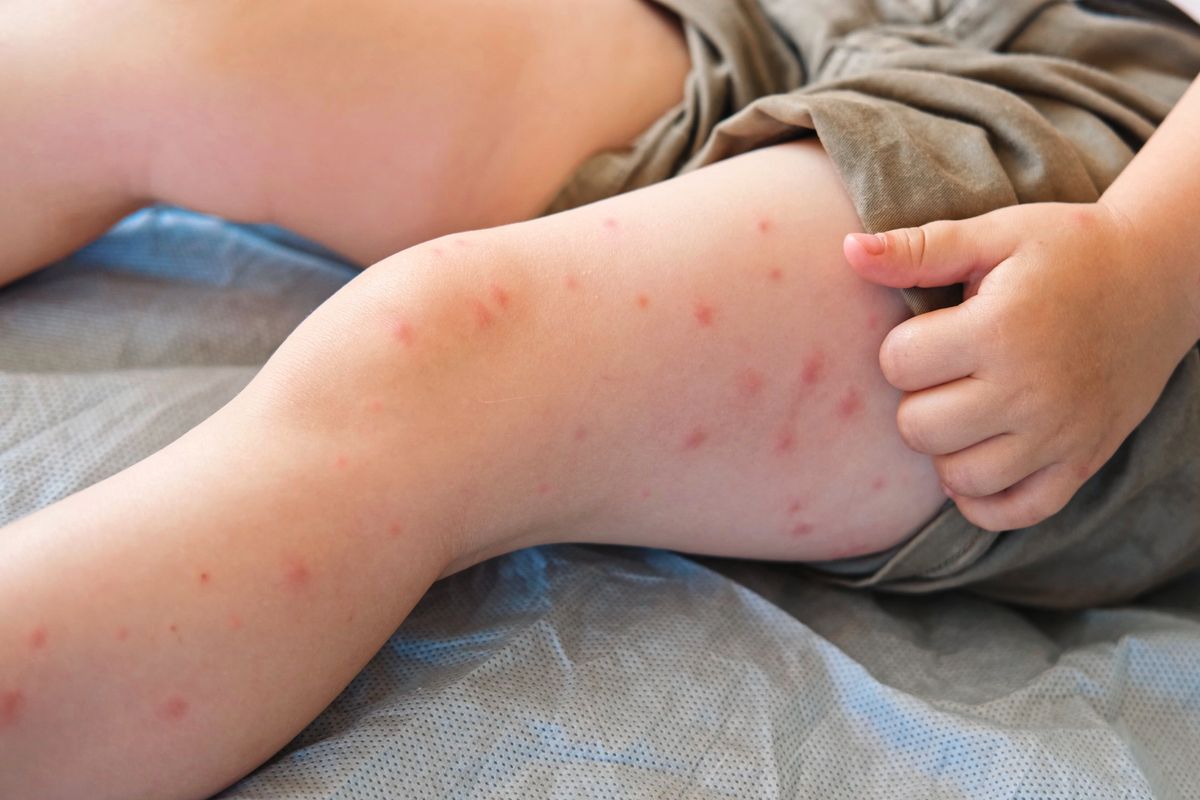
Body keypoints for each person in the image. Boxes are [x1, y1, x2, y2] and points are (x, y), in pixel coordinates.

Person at [1, 0, 1197, 797]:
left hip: (1129, 170)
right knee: (171, 41)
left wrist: (1147, 270)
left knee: (439, 363)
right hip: (823, 16)